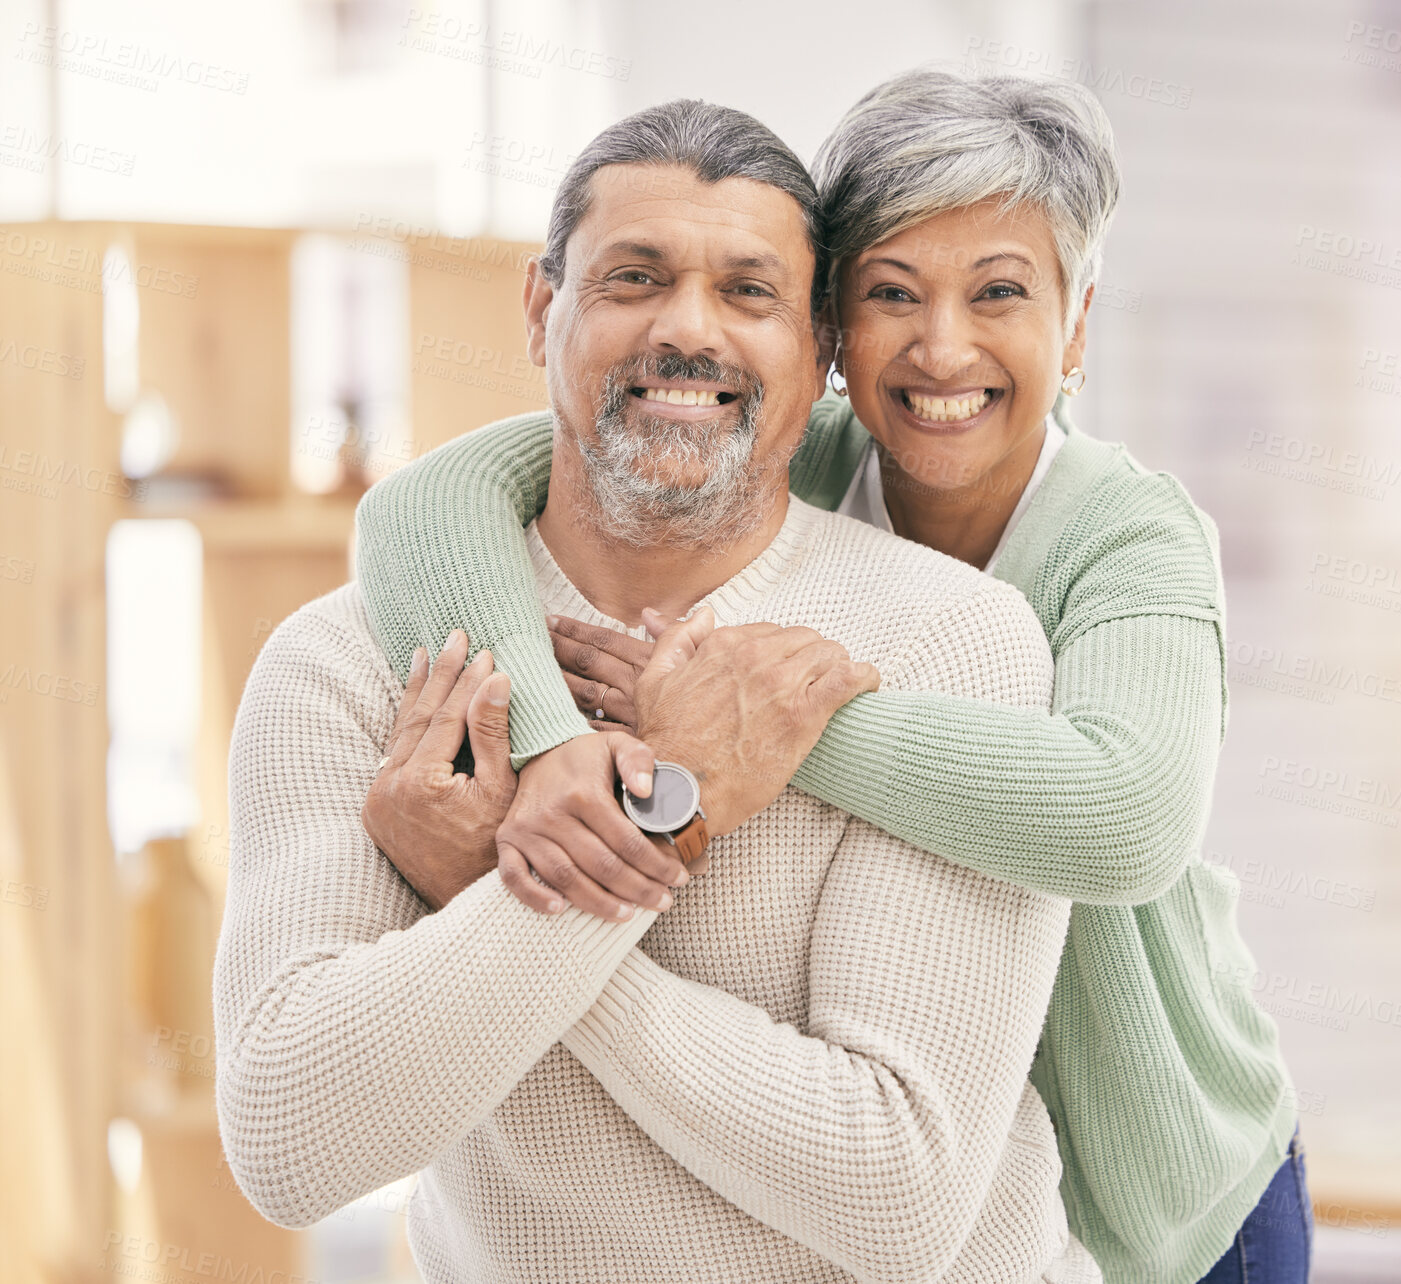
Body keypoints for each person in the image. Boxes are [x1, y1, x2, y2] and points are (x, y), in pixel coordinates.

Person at [354, 70, 1311, 1284]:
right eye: (891, 294)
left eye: (1000, 294)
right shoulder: (783, 448)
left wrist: (761, 724)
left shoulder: (1127, 535)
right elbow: (426, 505)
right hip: (964, 1162)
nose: (942, 346)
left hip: (1167, 1184)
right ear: (827, 334)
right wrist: (556, 755)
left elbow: (1125, 819)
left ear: (1072, 329)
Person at [215, 97, 1100, 1283]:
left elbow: (896, 1192)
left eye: (749, 293)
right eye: (633, 278)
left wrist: (498, 882)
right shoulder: (353, 665)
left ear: (820, 351)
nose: (688, 330)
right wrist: (659, 829)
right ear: (543, 309)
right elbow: (291, 1144)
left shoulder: (950, 641)